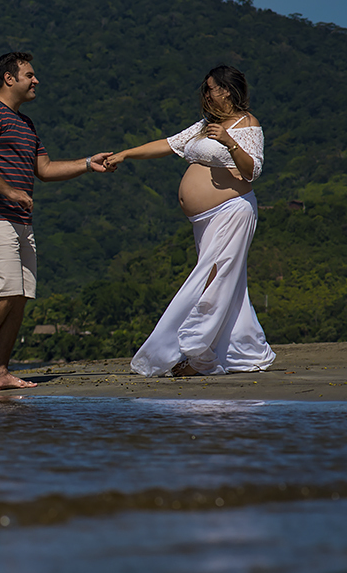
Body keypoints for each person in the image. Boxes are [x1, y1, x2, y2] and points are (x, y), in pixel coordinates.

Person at [105, 66, 276, 377]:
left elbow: (252, 171)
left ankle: (197, 356)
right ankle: (243, 351)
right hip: (204, 220)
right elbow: (169, 144)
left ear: (226, 90)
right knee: (226, 283)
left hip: (232, 211)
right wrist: (125, 154)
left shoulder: (246, 124)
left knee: (214, 282)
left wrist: (228, 141)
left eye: (210, 88)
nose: (205, 93)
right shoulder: (205, 125)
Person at [0, 52, 112, 393]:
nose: (36, 80)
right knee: (5, 289)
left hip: (20, 221)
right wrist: (8, 191)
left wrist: (88, 163)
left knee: (21, 294)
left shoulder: (26, 124)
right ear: (9, 79)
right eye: (30, 75)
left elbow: (44, 170)